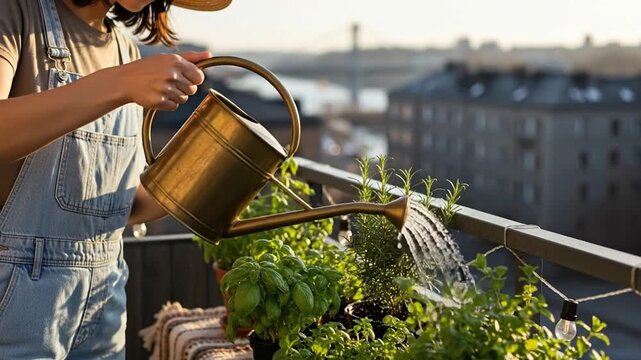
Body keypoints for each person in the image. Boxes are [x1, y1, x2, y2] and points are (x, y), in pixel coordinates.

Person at [0, 0, 231, 357]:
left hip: (105, 295)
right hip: (17, 301)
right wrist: (121, 83)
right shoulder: (17, 12)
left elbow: (126, 203)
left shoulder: (125, 50)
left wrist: (216, 170)